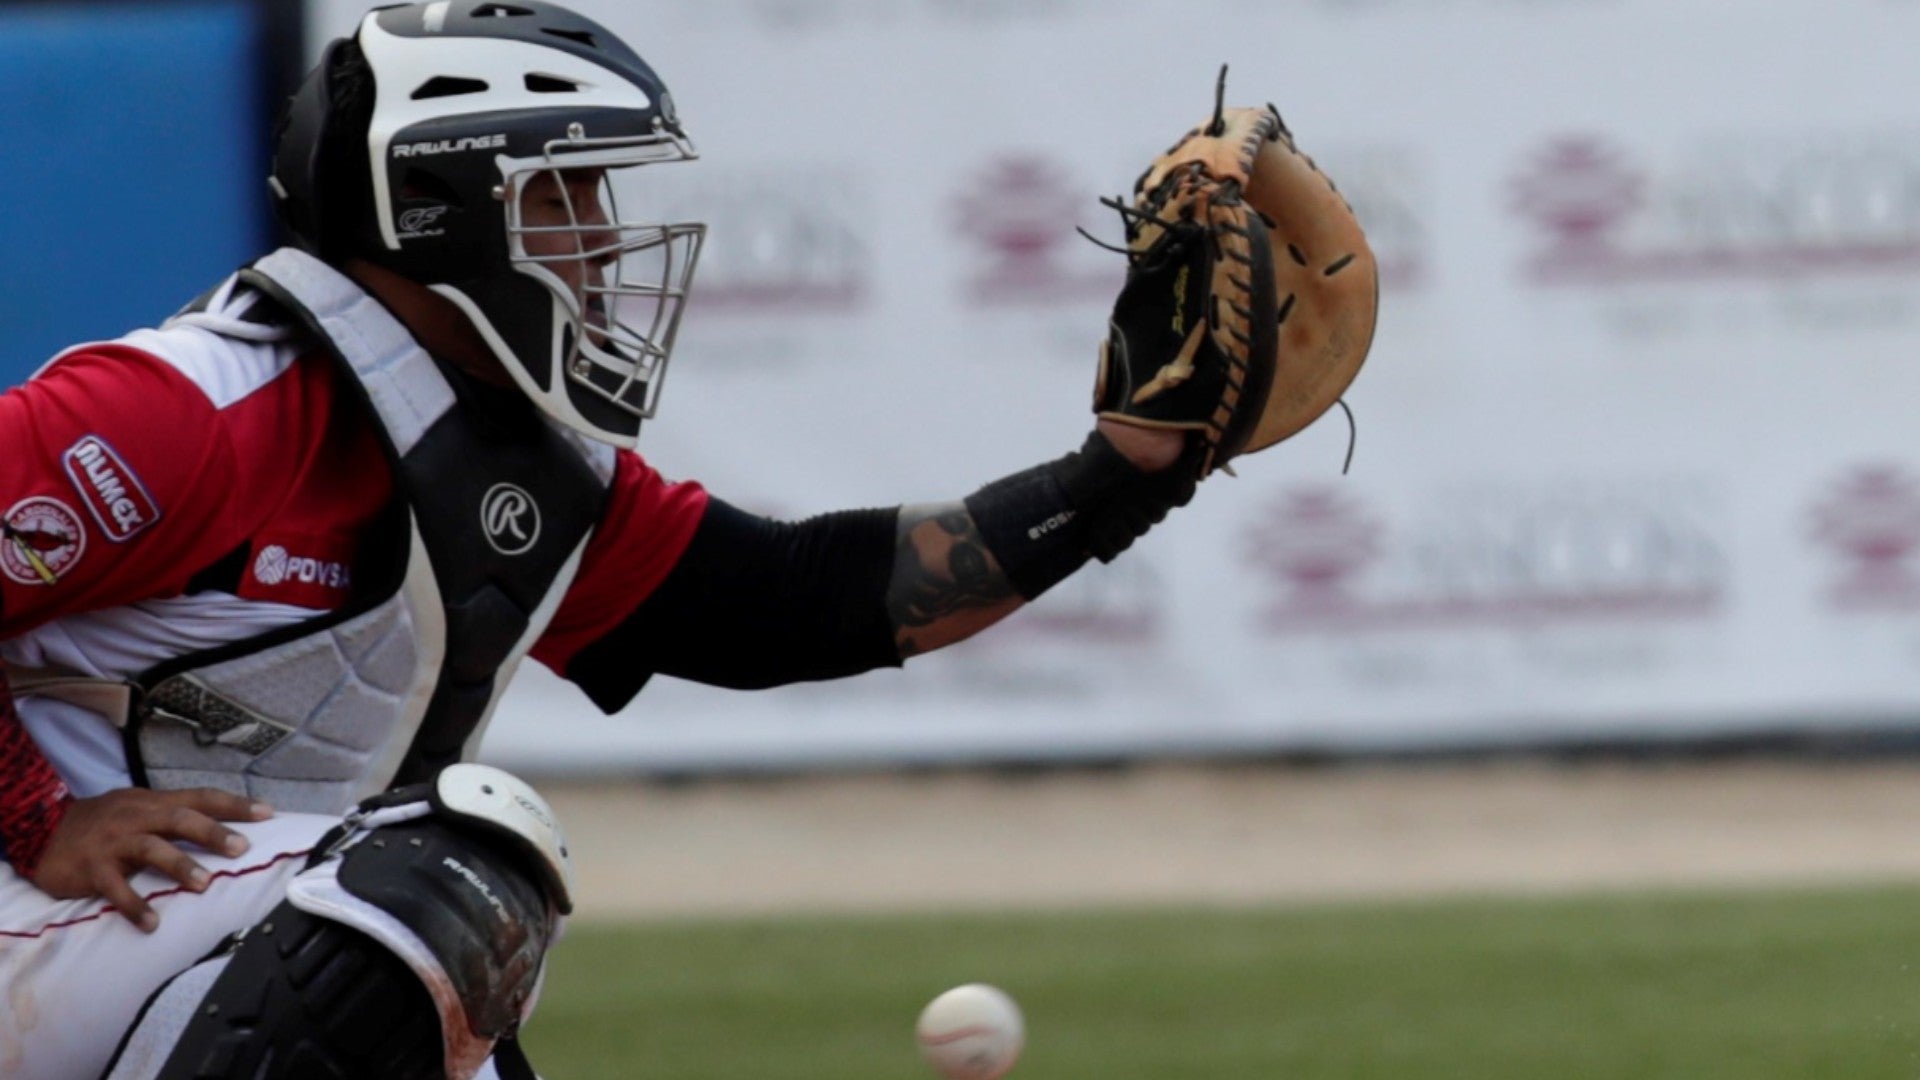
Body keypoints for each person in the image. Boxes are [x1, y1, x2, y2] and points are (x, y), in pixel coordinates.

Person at [0, 3, 1200, 1078]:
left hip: (192, 945)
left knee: (438, 953)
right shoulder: (185, 409)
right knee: (452, 874)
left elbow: (794, 601)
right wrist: (38, 813)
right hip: (42, 911)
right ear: (434, 204)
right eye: (563, 195)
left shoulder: (521, 465)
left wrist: (1117, 478)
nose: (601, 236)